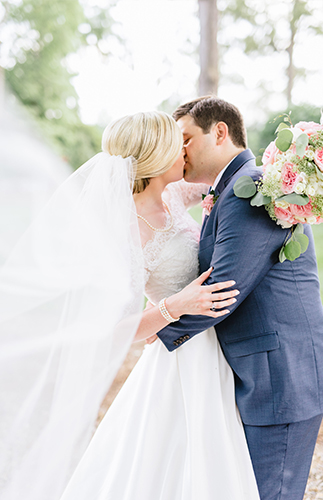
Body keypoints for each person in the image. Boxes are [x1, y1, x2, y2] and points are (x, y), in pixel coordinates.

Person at [0, 111, 259, 500]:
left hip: (215, 342)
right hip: (180, 356)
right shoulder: (125, 230)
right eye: (179, 145)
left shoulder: (174, 193)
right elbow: (112, 329)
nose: (186, 151)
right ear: (156, 157)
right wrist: (174, 306)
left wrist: (288, 170)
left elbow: (225, 175)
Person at [156, 96, 323, 500]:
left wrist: (154, 331)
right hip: (258, 371)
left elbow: (223, 288)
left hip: (279, 377)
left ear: (219, 132)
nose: (180, 151)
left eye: (186, 139)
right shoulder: (229, 188)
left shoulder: (253, 189)